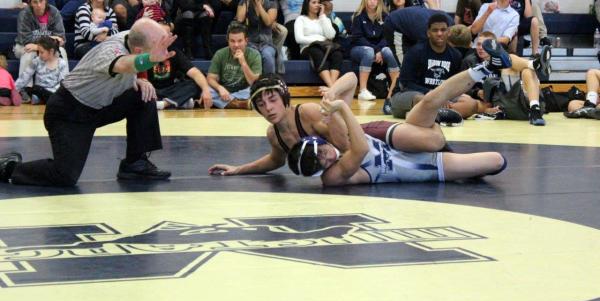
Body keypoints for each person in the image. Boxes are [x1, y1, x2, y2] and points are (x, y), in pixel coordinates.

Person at [285, 39, 512, 185]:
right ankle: (450, 147)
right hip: (428, 166)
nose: (326, 159)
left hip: (410, 142)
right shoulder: (333, 177)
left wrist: (331, 94)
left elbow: (351, 78)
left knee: (429, 101)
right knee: (497, 161)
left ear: (318, 141)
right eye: (320, 164)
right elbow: (362, 148)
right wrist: (342, 107)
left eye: (321, 153)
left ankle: (488, 67)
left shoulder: (338, 134)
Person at [0, 18, 176, 187]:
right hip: (69, 112)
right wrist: (150, 59)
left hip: (99, 105)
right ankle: (9, 168)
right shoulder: (111, 50)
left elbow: (131, 62)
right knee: (65, 176)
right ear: (139, 51)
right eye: (156, 49)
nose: (161, 52)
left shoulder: (135, 35)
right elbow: (123, 64)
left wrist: (133, 81)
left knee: (144, 95)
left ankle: (135, 164)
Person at [207, 72, 453, 176]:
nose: (268, 108)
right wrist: (238, 169)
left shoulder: (311, 112)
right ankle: (425, 116)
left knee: (435, 141)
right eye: (261, 104)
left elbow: (352, 78)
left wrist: (332, 93)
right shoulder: (275, 134)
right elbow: (276, 160)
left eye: (272, 100)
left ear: (284, 99)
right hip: (366, 161)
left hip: (370, 138)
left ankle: (432, 115)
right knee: (433, 160)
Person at [388, 14, 474, 120]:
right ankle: (441, 113)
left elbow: (455, 84)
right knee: (420, 99)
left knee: (470, 103)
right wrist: (432, 95)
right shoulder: (415, 52)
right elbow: (406, 84)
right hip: (409, 96)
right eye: (435, 30)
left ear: (449, 32)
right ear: (428, 33)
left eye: (443, 30)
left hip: (441, 99)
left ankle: (435, 114)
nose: (439, 33)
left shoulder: (456, 55)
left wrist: (444, 97)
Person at [463, 31, 551, 125]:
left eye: (485, 45)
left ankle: (535, 109)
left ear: (494, 47)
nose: (481, 48)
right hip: (492, 103)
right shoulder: (469, 61)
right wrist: (476, 92)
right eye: (479, 44)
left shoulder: (502, 60)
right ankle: (534, 64)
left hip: (516, 100)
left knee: (526, 70)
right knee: (512, 63)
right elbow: (461, 87)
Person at [350, 0, 400, 102]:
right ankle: (363, 91)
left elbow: (387, 37)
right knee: (369, 52)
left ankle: (394, 91)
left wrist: (380, 50)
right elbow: (358, 38)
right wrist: (376, 50)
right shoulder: (358, 16)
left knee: (389, 52)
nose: (372, 2)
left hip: (379, 48)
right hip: (359, 48)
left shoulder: (385, 16)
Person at [207, 22, 262, 109]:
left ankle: (226, 103)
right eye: (232, 41)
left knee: (259, 89)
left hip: (245, 92)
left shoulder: (255, 55)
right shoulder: (220, 53)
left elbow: (253, 83)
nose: (236, 45)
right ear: (228, 41)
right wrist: (219, 88)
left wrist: (243, 62)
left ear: (246, 41)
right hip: (225, 92)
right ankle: (240, 104)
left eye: (240, 41)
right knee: (207, 90)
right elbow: (210, 78)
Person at [13, 0, 68, 87]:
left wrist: (38, 46)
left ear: (45, 1)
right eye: (35, 2)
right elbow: (26, 39)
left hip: (40, 46)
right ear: (30, 3)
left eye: (41, 1)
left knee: (61, 51)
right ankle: (25, 88)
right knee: (28, 52)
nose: (38, 5)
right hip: (23, 46)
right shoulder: (24, 14)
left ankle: (63, 86)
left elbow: (60, 37)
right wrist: (50, 39)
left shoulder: (54, 12)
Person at [294, 0, 343, 87]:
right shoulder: (301, 19)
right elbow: (299, 39)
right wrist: (318, 39)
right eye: (314, 2)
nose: (317, 5)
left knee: (337, 53)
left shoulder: (324, 19)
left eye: (318, 2)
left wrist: (322, 17)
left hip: (325, 48)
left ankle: (331, 88)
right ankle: (332, 88)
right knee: (316, 50)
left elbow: (331, 35)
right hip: (308, 48)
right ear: (307, 5)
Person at [382, 5, 453, 66]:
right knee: (405, 65)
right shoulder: (428, 32)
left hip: (412, 25)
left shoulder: (450, 21)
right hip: (395, 24)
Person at [15, 36, 69, 105]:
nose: (39, 55)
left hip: (53, 93)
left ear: (51, 51)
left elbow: (63, 83)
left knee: (60, 95)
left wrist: (53, 92)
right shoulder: (37, 61)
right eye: (38, 52)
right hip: (39, 92)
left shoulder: (61, 63)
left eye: (42, 52)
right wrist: (14, 90)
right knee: (32, 89)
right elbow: (25, 76)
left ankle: (50, 99)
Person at [236, 0, 278, 74]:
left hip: (267, 43)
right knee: (254, 55)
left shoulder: (271, 3)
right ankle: (254, 82)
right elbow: (240, 19)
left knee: (267, 55)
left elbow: (268, 22)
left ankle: (269, 82)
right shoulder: (243, 2)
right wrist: (247, 3)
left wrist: (259, 5)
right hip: (250, 42)